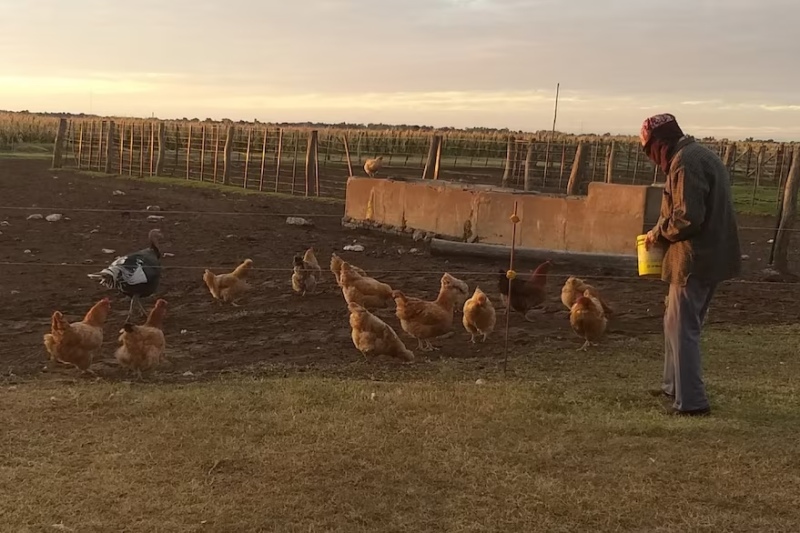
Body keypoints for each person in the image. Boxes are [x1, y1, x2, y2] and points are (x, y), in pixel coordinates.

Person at [641, 113, 741, 416]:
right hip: (708, 255)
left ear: (660, 143)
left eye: (648, 150)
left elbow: (688, 217)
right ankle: (674, 387)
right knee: (675, 324)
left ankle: (692, 403)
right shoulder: (699, 155)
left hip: (695, 259)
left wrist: (658, 233)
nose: (649, 158)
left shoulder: (685, 162)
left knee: (683, 329)